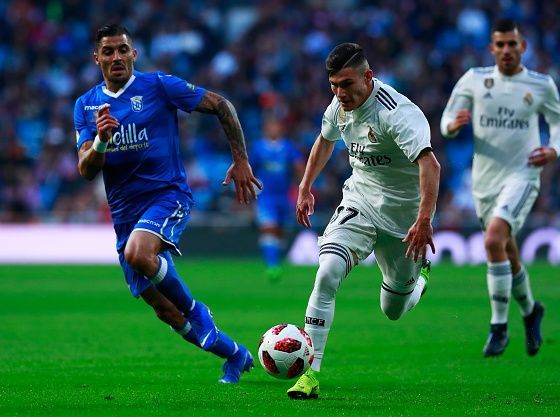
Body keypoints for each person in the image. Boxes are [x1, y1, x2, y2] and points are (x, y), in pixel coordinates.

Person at [74, 24, 262, 383]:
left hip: (167, 196)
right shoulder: (86, 105)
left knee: (139, 254)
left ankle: (198, 310)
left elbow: (221, 104)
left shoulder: (158, 86)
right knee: (164, 310)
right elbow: (85, 169)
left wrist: (240, 159)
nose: (117, 57)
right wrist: (100, 141)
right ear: (96, 58)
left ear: (134, 54)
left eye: (123, 49)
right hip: (125, 215)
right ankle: (235, 355)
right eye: (109, 51)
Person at [287, 43, 441, 399]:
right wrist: (306, 186)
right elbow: (324, 142)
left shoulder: (397, 113)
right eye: (334, 86)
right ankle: (311, 374)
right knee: (326, 272)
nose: (340, 93)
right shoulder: (338, 106)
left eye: (347, 84)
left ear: (368, 77)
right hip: (360, 203)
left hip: (404, 222)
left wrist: (424, 219)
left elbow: (430, 165)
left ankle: (420, 282)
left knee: (393, 310)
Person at [440, 19, 560, 357]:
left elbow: (559, 123)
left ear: (522, 46)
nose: (507, 50)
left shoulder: (540, 85)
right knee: (506, 249)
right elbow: (446, 119)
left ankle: (498, 327)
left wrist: (555, 148)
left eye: (513, 44)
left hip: (522, 174)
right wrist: (453, 125)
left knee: (494, 239)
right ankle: (530, 309)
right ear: (492, 48)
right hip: (484, 181)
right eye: (501, 45)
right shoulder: (475, 80)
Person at [249, 118, 304, 281]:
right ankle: (272, 266)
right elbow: (250, 168)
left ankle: (275, 259)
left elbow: (299, 165)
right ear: (265, 129)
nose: (274, 129)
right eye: (271, 126)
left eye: (276, 125)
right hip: (265, 196)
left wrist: (301, 186)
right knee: (269, 227)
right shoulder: (258, 147)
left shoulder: (287, 146)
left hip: (283, 195)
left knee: (280, 232)